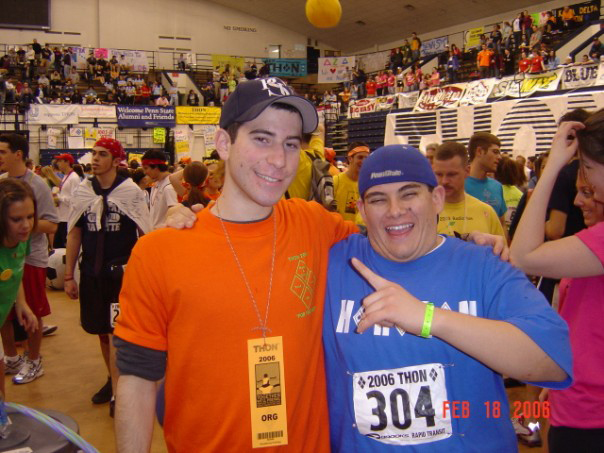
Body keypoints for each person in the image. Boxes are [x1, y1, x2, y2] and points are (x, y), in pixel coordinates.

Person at [113, 77, 358, 452]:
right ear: (224, 143)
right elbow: (137, 379)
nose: (279, 159)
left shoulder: (315, 224)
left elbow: (395, 243)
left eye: (291, 144)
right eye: (262, 138)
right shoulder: (161, 251)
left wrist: (474, 244)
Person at [323, 144, 572, 452]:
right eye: (378, 199)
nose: (395, 210)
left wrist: (429, 318)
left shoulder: (484, 265)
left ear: (437, 199)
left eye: (409, 193)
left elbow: (553, 362)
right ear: (361, 210)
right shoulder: (334, 264)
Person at [510, 112, 604, 452]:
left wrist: (551, 168)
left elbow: (524, 255)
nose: (585, 180)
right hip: (579, 397)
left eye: (588, 168)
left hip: (591, 413)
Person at [64, 138, 151, 416]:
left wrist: (143, 273)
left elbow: (144, 234)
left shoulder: (131, 192)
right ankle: (111, 378)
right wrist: (68, 275)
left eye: (103, 154)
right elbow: (75, 232)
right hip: (92, 272)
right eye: (94, 154)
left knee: (118, 334)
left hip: (120, 275)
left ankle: (119, 392)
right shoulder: (83, 192)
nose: (96, 159)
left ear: (116, 161)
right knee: (102, 332)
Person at [0, 133, 58, 385]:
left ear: (18, 154)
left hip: (30, 258)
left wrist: (23, 227)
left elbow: (52, 224)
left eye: (2, 151)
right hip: (8, 257)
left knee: (31, 312)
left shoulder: (37, 185)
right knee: (7, 314)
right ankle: (11, 357)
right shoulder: (2, 183)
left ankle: (33, 360)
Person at [0, 179, 40, 396]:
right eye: (16, 219)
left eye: (30, 216)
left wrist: (21, 303)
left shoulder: (22, 238)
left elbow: (17, 269)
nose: (26, 225)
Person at [433, 141, 505, 238]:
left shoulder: (486, 212)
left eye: (452, 174)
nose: (444, 181)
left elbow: (500, 250)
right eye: (439, 174)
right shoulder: (424, 213)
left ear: (467, 171)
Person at [465, 132, 507, 224]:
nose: (499, 157)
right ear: (479, 151)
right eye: (495, 152)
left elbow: (502, 224)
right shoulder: (459, 185)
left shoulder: (497, 186)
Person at [141, 150, 178, 229]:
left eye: (146, 168)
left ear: (156, 167)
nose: (144, 172)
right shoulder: (156, 184)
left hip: (164, 236)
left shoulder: (169, 187)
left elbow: (174, 215)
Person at [333, 142, 370, 222]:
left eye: (366, 158)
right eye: (360, 157)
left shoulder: (366, 186)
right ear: (350, 158)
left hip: (357, 232)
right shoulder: (336, 181)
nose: (363, 161)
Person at [53, 152, 80, 248]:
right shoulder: (65, 177)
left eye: (60, 161)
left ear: (67, 162)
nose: (58, 163)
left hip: (68, 218)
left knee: (63, 248)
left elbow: (75, 200)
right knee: (57, 246)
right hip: (61, 216)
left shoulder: (74, 178)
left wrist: (59, 198)